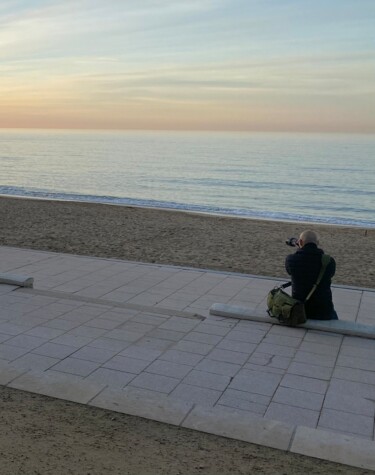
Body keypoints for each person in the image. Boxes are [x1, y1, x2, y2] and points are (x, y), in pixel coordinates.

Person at [285, 230, 338, 320]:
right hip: (324, 312)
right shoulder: (329, 261)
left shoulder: (291, 260)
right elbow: (330, 274)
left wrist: (300, 248)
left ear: (300, 242)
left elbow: (291, 270)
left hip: (300, 310)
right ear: (317, 243)